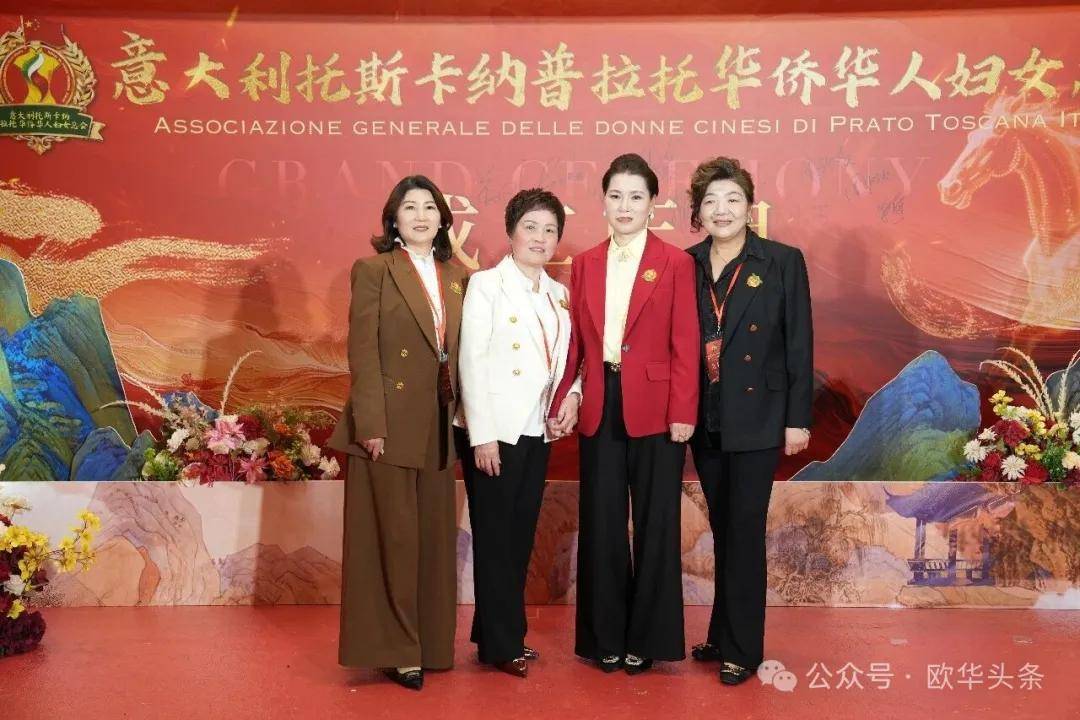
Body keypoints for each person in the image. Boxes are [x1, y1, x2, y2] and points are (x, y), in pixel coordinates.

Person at [548, 153, 700, 675]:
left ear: (653, 203)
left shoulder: (675, 262)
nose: (625, 206)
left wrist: (684, 411)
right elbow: (578, 344)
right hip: (601, 402)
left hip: (658, 407)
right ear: (604, 202)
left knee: (656, 524)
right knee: (603, 522)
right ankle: (604, 638)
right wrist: (569, 394)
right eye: (616, 196)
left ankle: (648, 640)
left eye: (636, 196)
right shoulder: (586, 262)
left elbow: (686, 344)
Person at [327, 175, 468, 691]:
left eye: (430, 207)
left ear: (443, 219)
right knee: (393, 540)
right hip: (386, 425)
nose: (421, 216)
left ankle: (430, 646)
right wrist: (371, 423)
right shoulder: (374, 270)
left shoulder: (459, 277)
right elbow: (362, 350)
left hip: (438, 425)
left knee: (433, 542)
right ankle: (396, 651)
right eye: (410, 207)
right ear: (393, 219)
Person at [683, 157, 813, 685]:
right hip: (706, 417)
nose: (722, 210)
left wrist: (797, 419)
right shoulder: (686, 264)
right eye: (711, 201)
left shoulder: (781, 261)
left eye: (732, 199)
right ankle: (722, 633)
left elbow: (799, 343)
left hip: (759, 416)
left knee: (744, 531)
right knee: (723, 528)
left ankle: (743, 648)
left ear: (750, 206)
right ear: (698, 211)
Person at [456, 188, 580, 678]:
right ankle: (503, 643)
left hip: (536, 429)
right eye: (531, 227)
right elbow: (472, 361)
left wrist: (572, 396)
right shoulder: (486, 285)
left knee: (518, 536)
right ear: (511, 231)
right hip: (496, 429)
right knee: (495, 538)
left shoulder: (558, 294)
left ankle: (497, 636)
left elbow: (570, 362)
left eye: (550, 230)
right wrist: (482, 435)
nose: (540, 237)